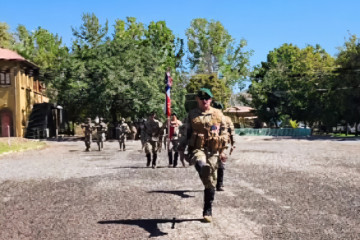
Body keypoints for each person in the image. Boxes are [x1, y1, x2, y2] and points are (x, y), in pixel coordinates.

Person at [179, 88, 228, 223]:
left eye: (207, 98)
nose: (204, 101)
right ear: (197, 99)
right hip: (197, 148)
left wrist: (223, 151)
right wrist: (181, 148)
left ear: (211, 100)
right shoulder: (192, 114)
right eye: (202, 98)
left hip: (213, 151)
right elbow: (186, 133)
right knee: (199, 160)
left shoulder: (218, 114)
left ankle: (208, 210)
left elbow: (224, 133)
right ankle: (203, 168)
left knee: (210, 183)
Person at [212, 102, 236, 191]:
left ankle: (219, 184)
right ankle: (213, 183)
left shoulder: (227, 119)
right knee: (211, 164)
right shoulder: (210, 119)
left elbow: (232, 132)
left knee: (221, 163)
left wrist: (233, 144)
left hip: (223, 144)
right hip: (211, 144)